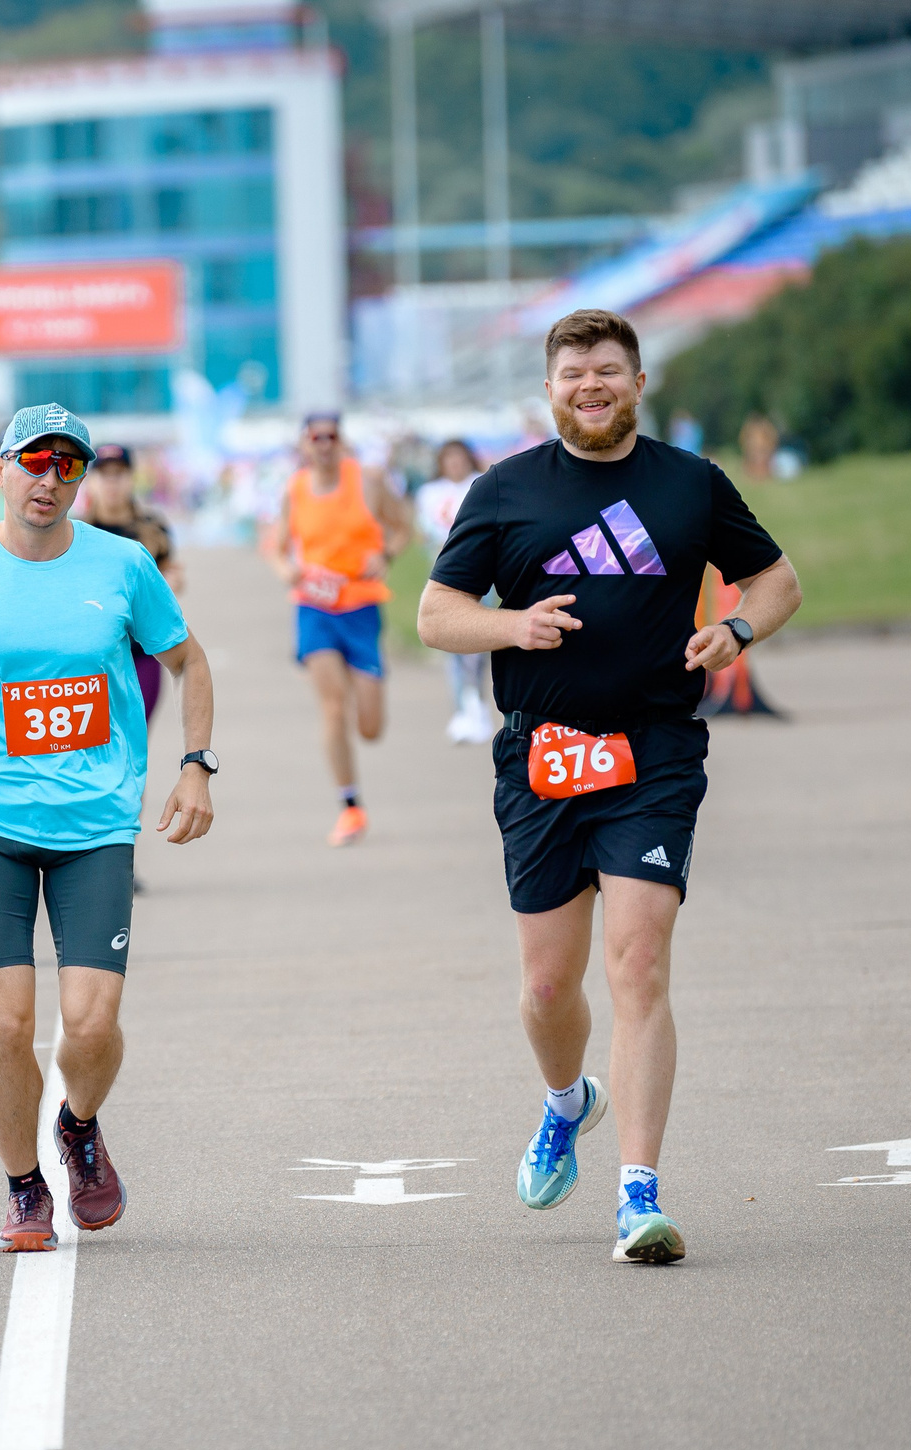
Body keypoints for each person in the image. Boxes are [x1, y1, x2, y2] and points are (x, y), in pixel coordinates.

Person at [417, 308, 802, 1265]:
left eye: (609, 371)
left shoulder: (689, 483)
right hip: (541, 758)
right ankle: (565, 1102)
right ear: (548, 391)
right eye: (574, 373)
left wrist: (738, 633)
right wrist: (513, 629)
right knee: (550, 985)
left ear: (638, 384)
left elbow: (777, 580)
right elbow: (435, 614)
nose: (592, 385)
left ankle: (639, 1196)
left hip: (655, 754)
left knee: (638, 962)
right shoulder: (503, 492)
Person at [0, 404, 218, 1254]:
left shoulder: (123, 563)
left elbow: (188, 660)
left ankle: (79, 1125)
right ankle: (24, 1187)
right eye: (34, 461)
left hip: (96, 824)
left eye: (68, 465)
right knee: (8, 1024)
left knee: (89, 1026)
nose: (50, 478)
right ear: (1, 468)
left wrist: (197, 762)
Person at [265, 412, 414, 846]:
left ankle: (362, 701)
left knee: (369, 727)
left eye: (331, 436)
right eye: (316, 437)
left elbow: (403, 527)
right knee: (331, 708)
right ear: (305, 444)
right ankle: (350, 808)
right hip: (313, 609)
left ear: (341, 441)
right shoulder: (295, 489)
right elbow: (276, 549)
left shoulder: (366, 480)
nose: (324, 444)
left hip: (361, 608)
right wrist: (287, 572)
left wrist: (385, 555)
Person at [78, 444, 183, 726]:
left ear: (132, 478)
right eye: (104, 475)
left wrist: (169, 583)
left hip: (142, 651)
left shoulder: (152, 527)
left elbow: (172, 571)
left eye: (119, 474)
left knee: (136, 732)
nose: (112, 482)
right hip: (93, 652)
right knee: (96, 735)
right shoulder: (75, 532)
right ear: (91, 480)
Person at [414, 439, 493, 745]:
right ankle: (462, 709)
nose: (455, 464)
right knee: (451, 645)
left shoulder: (480, 485)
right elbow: (424, 530)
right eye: (449, 459)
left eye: (460, 458)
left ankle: (478, 704)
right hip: (444, 573)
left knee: (477, 642)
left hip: (480, 575)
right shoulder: (430, 492)